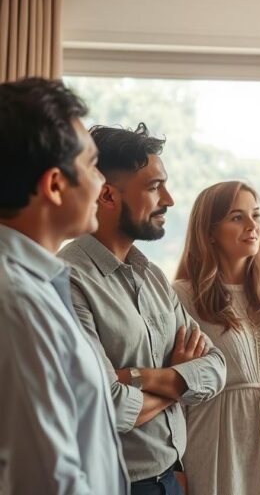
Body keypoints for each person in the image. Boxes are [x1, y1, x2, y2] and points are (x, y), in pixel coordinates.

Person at [58, 123, 227, 494]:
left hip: (171, 479)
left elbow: (216, 368)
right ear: (106, 195)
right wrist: (179, 377)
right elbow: (109, 408)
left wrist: (136, 376)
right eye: (153, 187)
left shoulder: (150, 275)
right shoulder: (68, 282)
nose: (168, 199)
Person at [0, 77, 129, 494]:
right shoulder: (17, 303)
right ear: (55, 185)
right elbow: (48, 480)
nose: (101, 185)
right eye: (92, 166)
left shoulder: (37, 285)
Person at [173, 180, 260, 495]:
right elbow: (177, 388)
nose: (253, 226)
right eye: (237, 217)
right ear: (209, 231)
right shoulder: (182, 295)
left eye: (256, 215)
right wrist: (177, 466)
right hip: (214, 439)